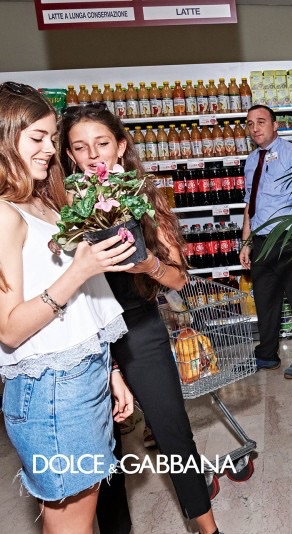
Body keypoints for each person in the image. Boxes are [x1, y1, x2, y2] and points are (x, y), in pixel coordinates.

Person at [60, 103, 221, 534]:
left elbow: (178, 279)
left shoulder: (144, 197)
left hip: (139, 328)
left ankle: (208, 529)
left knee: (173, 433)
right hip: (87, 335)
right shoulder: (60, 207)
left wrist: (146, 264)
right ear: (70, 156)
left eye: (102, 143)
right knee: (103, 447)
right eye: (80, 147)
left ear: (121, 145)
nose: (93, 155)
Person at [0, 82, 135, 534]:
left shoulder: (40, 200)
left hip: (81, 374)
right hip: (52, 391)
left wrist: (110, 369)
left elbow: (82, 311)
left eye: (51, 137)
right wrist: (80, 269)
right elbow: (9, 329)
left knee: (81, 515)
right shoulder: (3, 215)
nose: (49, 149)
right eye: (36, 138)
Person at [239, 104, 292, 379]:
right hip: (262, 241)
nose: (255, 128)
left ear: (275, 125)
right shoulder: (251, 160)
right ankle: (266, 356)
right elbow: (249, 206)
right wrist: (245, 242)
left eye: (261, 122)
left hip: (291, 238)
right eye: (250, 123)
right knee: (265, 303)